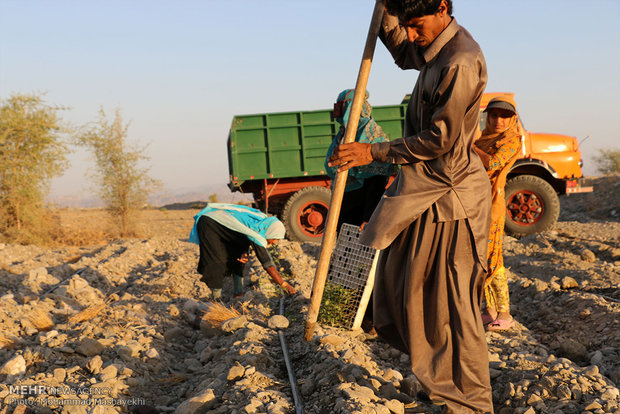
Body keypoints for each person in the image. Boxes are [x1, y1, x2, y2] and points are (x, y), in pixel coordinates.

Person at [328, 0, 493, 412]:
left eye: (416, 25)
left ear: (442, 7)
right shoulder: (433, 47)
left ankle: (470, 403)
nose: (414, 35)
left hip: (452, 199)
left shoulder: (460, 61)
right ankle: (438, 384)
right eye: (408, 25)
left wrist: (373, 152)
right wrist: (386, 13)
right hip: (423, 193)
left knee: (454, 306)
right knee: (407, 292)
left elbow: (440, 141)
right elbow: (404, 51)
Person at [473, 96, 521, 331]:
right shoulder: (483, 138)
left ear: (512, 119)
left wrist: (467, 146)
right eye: (494, 115)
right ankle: (488, 310)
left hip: (492, 205)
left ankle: (504, 312)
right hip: (476, 202)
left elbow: (492, 164)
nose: (498, 120)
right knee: (480, 257)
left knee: (493, 257)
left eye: (505, 116)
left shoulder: (511, 140)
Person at [189, 203, 296, 300]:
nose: (274, 243)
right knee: (217, 260)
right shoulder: (258, 232)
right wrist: (283, 284)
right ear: (270, 232)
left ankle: (238, 293)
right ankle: (216, 300)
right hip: (210, 224)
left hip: (229, 231)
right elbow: (267, 263)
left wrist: (244, 250)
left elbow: (242, 231)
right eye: (275, 238)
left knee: (240, 258)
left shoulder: (260, 225)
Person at [325, 89, 395, 231]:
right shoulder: (344, 133)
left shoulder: (371, 135)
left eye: (341, 106)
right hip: (345, 203)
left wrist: (368, 218)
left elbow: (376, 182)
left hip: (363, 207)